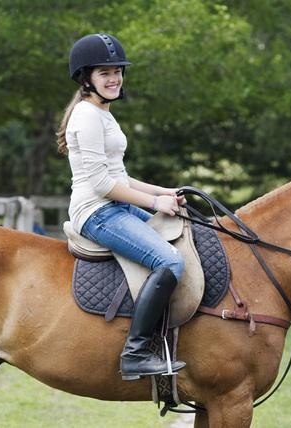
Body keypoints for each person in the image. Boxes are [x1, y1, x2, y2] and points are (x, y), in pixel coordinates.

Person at [56, 33, 186, 380]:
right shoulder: (87, 116)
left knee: (185, 232)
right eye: (104, 73)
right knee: (169, 261)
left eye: (118, 71)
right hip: (97, 213)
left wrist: (167, 192)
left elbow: (122, 178)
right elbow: (102, 185)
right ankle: (136, 352)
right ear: (87, 79)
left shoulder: (104, 113)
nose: (114, 78)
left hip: (116, 204)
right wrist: (154, 202)